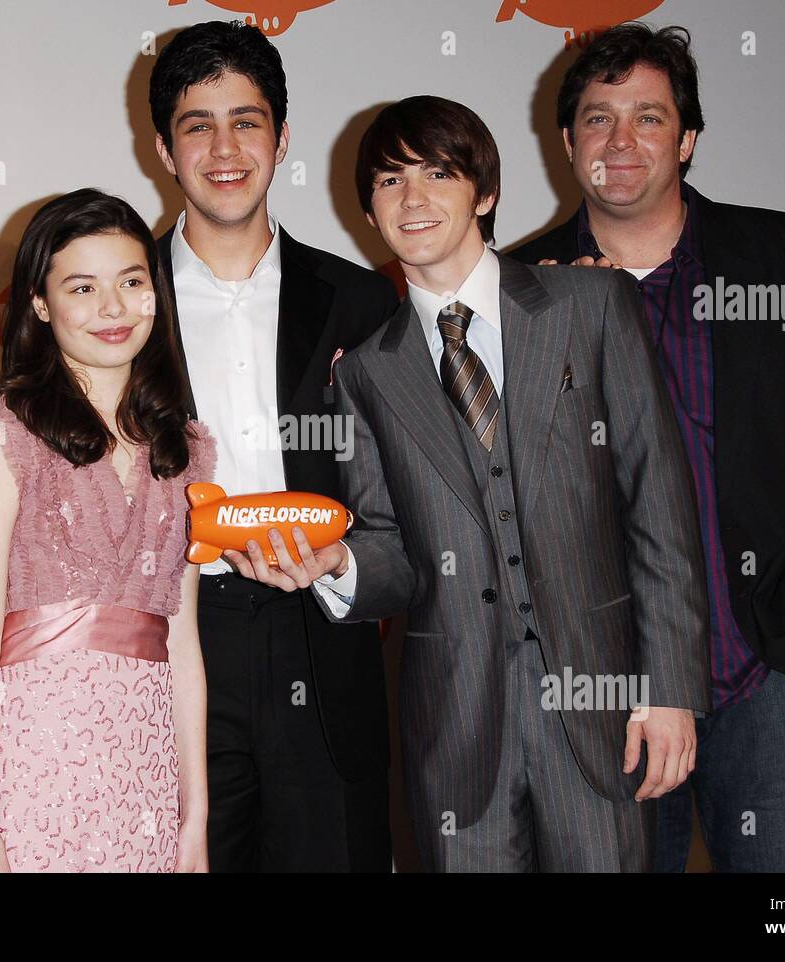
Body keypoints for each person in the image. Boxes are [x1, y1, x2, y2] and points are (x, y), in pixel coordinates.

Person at [228, 95, 711, 872]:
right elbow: (388, 546)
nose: (412, 199)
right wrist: (338, 565)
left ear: (483, 192)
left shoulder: (591, 306)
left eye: (437, 174)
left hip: (598, 709)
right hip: (455, 731)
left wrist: (671, 688)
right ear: (368, 212)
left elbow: (658, 505)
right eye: (388, 182)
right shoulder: (368, 374)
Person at [510, 23, 785, 872]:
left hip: (768, 674)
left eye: (648, 118)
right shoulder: (512, 292)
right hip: (595, 697)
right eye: (597, 118)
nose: (620, 141)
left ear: (686, 140)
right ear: (568, 140)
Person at [147, 19, 397, 871]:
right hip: (171, 642)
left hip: (321, 639)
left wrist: (343, 566)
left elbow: (412, 499)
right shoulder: (114, 304)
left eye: (247, 121)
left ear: (282, 138)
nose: (225, 147)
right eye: (198, 124)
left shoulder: (362, 304)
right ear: (163, 147)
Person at [0, 189, 214, 873]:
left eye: (130, 282)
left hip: (148, 776)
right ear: (40, 304)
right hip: (33, 770)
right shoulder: (6, 433)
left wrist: (196, 819)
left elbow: (182, 642)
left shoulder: (184, 449)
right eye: (82, 287)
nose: (113, 309)